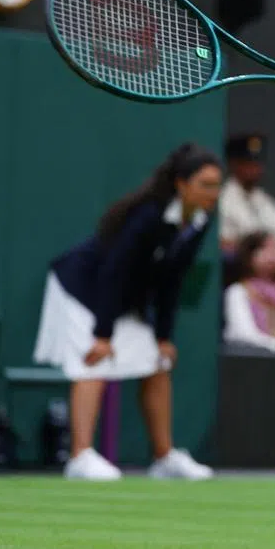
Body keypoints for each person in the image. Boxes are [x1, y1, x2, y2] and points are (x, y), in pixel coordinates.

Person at [33, 143, 221, 481]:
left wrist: (164, 337)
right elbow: (114, 272)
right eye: (205, 185)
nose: (213, 193)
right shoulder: (149, 215)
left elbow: (172, 280)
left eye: (217, 185)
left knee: (157, 362)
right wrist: (103, 334)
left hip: (121, 297)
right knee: (93, 359)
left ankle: (164, 459)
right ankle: (79, 457)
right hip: (81, 287)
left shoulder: (201, 219)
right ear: (181, 184)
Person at [218, 134, 275, 258]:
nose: (254, 169)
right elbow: (223, 246)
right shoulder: (222, 200)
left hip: (269, 273)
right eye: (248, 163)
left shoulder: (268, 203)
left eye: (257, 163)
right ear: (234, 164)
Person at [222, 231, 275, 353]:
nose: (272, 255)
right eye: (264, 249)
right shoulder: (237, 292)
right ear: (249, 255)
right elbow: (241, 334)